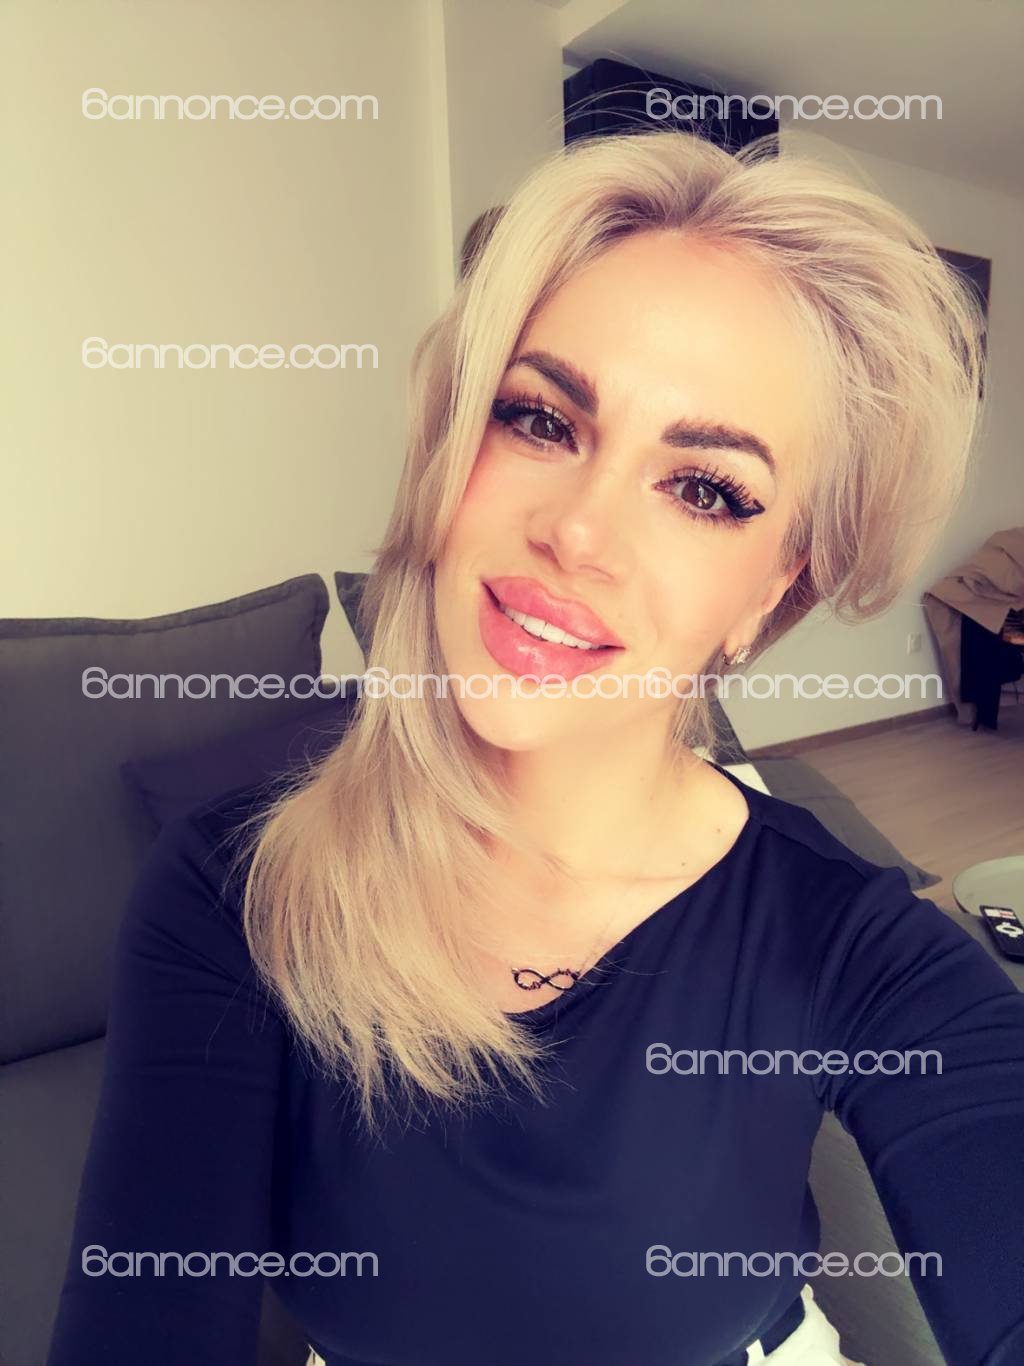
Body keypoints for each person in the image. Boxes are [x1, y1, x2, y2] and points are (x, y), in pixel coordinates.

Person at [47, 129, 1023, 1366]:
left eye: (705, 488)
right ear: (450, 446)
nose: (578, 531)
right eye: (539, 419)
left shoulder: (845, 939)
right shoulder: (233, 892)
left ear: (770, 593)